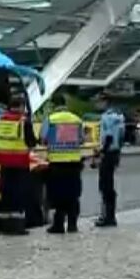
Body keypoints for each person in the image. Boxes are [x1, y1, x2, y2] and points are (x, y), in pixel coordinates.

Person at [0, 94, 37, 235]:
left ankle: (6, 227)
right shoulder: (24, 121)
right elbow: (31, 142)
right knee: (19, 195)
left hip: (4, 163)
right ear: (22, 107)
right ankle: (18, 227)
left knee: (6, 195)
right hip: (20, 164)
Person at [45, 95, 85, 234]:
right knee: (73, 195)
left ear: (54, 106)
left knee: (58, 195)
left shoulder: (50, 119)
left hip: (56, 164)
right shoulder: (76, 119)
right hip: (74, 163)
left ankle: (59, 225)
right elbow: (81, 140)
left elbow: (43, 138)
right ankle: (73, 225)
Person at [95, 94, 125, 228]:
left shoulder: (106, 118)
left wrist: (101, 153)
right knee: (110, 185)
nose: (97, 104)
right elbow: (122, 136)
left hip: (107, 153)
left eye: (99, 102)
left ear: (105, 102)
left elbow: (108, 137)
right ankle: (111, 215)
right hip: (115, 152)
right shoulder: (119, 117)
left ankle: (107, 217)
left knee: (105, 185)